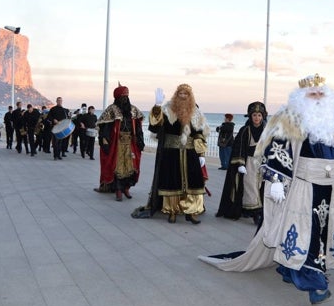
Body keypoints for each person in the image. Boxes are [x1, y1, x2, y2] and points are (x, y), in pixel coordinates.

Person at [199, 74, 334, 305]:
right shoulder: (290, 119)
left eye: (321, 93)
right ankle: (314, 283)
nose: (317, 97)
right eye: (312, 94)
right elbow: (277, 149)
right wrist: (276, 179)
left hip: (332, 187)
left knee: (325, 232)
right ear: (302, 97)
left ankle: (294, 270)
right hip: (303, 185)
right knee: (304, 232)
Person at [145, 84, 209, 224]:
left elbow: (199, 132)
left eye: (186, 94)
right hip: (171, 152)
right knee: (172, 181)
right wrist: (157, 106)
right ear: (176, 94)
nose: (183, 96)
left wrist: (201, 153)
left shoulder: (195, 111)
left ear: (190, 96)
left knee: (193, 181)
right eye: (181, 93)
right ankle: (172, 211)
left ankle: (191, 211)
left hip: (190, 152)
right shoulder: (167, 110)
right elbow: (155, 126)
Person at [215, 102, 267, 224]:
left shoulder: (266, 130)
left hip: (262, 163)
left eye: (259, 115)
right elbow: (239, 147)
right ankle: (255, 212)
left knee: (260, 187)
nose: (257, 118)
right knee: (251, 187)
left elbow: (269, 147)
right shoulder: (245, 130)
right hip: (249, 162)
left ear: (263, 116)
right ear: (250, 116)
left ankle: (258, 210)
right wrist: (241, 164)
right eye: (254, 115)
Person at [94, 84, 145, 201]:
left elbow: (138, 126)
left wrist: (140, 140)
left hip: (130, 142)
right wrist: (105, 141)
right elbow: (105, 127)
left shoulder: (133, 109)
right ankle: (118, 189)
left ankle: (126, 188)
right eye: (123, 96)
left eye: (127, 96)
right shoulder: (112, 109)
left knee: (131, 166)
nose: (125, 98)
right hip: (116, 143)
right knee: (117, 167)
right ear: (117, 97)